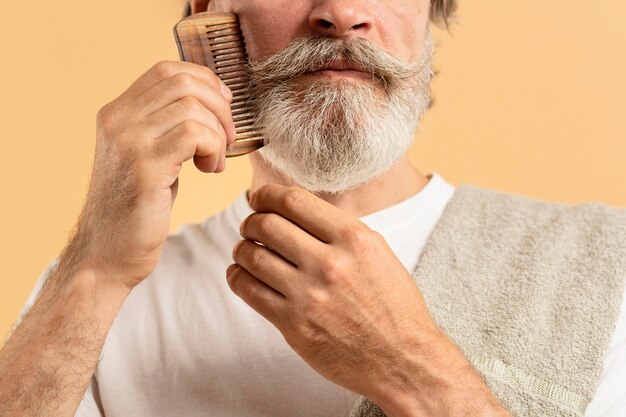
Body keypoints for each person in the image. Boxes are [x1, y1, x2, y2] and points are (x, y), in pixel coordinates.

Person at [1, 0, 624, 416]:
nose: (342, 14)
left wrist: (411, 368)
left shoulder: (607, 268)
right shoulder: (93, 305)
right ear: (208, 14)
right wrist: (93, 268)